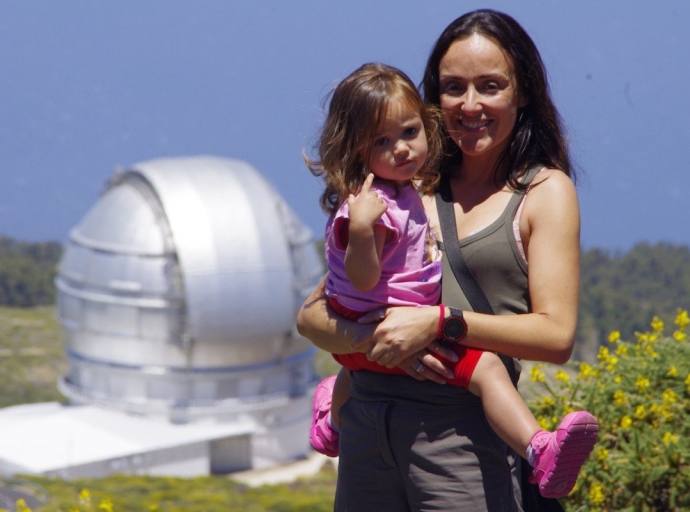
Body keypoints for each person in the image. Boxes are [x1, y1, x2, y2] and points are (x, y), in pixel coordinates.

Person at [298, 9, 596, 511]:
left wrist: (439, 323)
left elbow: (556, 336)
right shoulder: (405, 180)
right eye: (454, 87)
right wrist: (372, 342)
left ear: (522, 92)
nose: (470, 104)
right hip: (369, 427)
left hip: (463, 441)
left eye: (491, 86)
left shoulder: (544, 192)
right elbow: (311, 315)